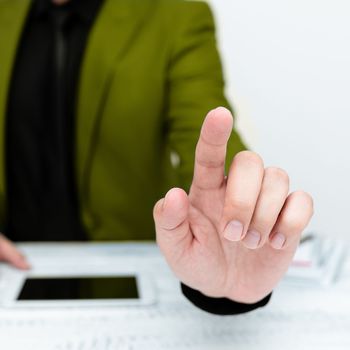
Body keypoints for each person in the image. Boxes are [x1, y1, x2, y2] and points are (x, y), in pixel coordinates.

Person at [0, 0, 313, 314]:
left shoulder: (176, 16)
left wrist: (234, 217)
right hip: (10, 266)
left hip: (125, 278)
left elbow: (203, 134)